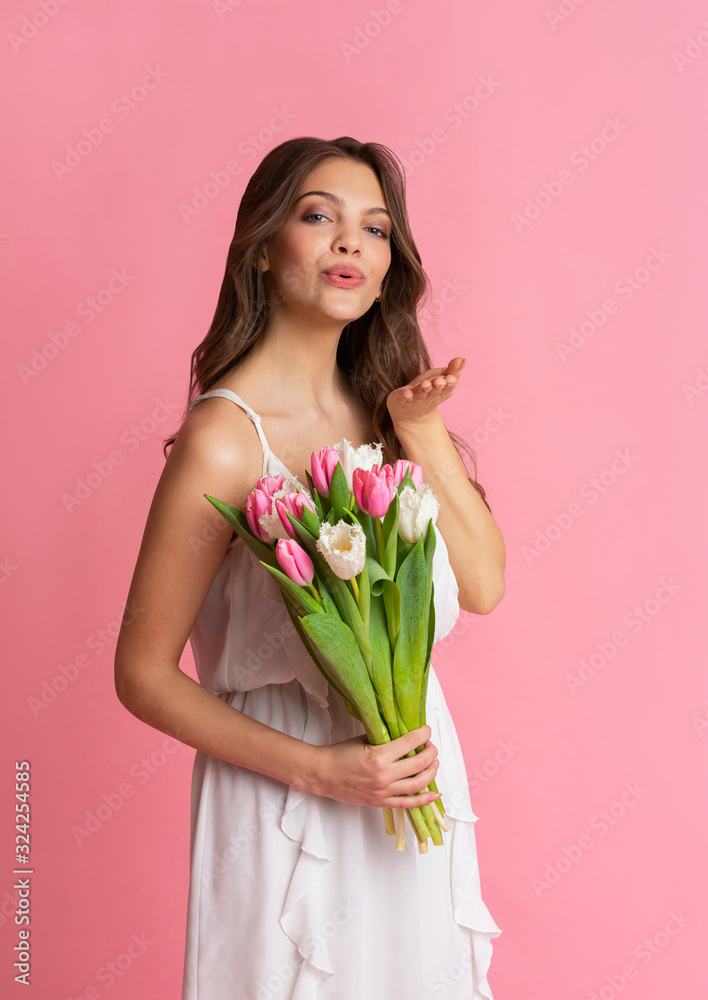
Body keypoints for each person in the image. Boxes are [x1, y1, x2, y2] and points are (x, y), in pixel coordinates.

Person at [114, 135, 505, 1000]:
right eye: (319, 216)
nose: (351, 244)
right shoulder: (226, 441)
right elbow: (141, 675)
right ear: (262, 248)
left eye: (374, 228)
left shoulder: (386, 413)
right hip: (284, 808)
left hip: (410, 792)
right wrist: (322, 771)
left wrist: (424, 431)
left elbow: (481, 587)